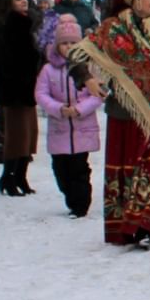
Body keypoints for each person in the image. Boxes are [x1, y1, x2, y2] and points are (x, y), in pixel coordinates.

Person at [73, 0, 150, 249]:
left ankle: (145, 225)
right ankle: (126, 226)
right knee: (128, 173)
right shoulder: (113, 29)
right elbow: (77, 54)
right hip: (125, 114)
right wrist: (87, 79)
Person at [35, 15, 102, 218]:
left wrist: (80, 109)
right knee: (61, 170)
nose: (68, 47)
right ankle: (70, 196)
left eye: (73, 43)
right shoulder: (48, 69)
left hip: (83, 128)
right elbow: (41, 94)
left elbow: (98, 94)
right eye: (64, 43)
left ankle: (80, 203)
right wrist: (58, 108)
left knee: (80, 169)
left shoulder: (88, 68)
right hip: (60, 129)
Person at [0, 0, 43, 196]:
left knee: (29, 135)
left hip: (28, 88)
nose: (24, 2)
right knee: (17, 137)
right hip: (15, 92)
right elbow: (5, 63)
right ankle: (8, 176)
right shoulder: (8, 28)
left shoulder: (27, 25)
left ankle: (21, 175)